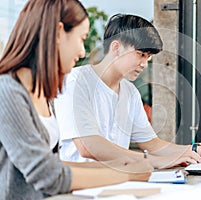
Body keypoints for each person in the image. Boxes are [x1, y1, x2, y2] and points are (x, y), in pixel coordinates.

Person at [0, 1, 153, 199]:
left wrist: (118, 165)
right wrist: (125, 174)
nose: (82, 52)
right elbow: (47, 175)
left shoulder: (42, 93)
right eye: (81, 39)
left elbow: (54, 164)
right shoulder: (8, 91)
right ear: (58, 33)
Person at [54, 14, 201, 169]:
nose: (145, 63)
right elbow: (89, 146)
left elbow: (152, 144)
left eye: (149, 57)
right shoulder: (76, 81)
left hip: (117, 183)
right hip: (78, 187)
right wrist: (151, 162)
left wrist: (199, 150)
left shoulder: (130, 92)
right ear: (116, 47)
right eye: (141, 54)